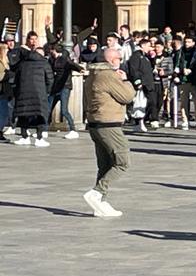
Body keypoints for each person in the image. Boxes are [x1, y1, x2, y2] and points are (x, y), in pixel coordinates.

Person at [82, 47, 136, 217]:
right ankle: (97, 192)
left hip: (95, 123)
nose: (120, 61)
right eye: (119, 58)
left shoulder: (92, 75)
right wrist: (126, 80)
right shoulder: (108, 76)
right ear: (112, 60)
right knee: (122, 161)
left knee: (105, 164)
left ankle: (100, 203)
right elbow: (127, 96)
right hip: (109, 124)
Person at [12, 46, 53, 147]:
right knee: (40, 115)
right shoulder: (44, 63)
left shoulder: (22, 63)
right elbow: (50, 79)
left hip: (23, 92)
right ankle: (39, 138)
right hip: (39, 93)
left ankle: (24, 137)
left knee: (23, 114)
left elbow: (16, 79)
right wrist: (46, 91)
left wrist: (17, 92)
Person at [48, 43, 85, 139]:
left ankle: (73, 130)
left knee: (64, 110)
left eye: (51, 51)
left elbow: (71, 64)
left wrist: (80, 69)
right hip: (56, 87)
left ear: (54, 50)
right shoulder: (52, 59)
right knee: (48, 108)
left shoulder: (64, 59)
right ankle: (43, 129)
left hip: (64, 87)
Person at [125, 38, 156, 132]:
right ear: (143, 46)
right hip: (142, 84)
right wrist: (138, 81)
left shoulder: (145, 56)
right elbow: (134, 70)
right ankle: (139, 122)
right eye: (148, 46)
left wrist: (152, 58)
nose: (150, 48)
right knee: (140, 103)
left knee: (150, 103)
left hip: (148, 84)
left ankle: (144, 120)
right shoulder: (136, 56)